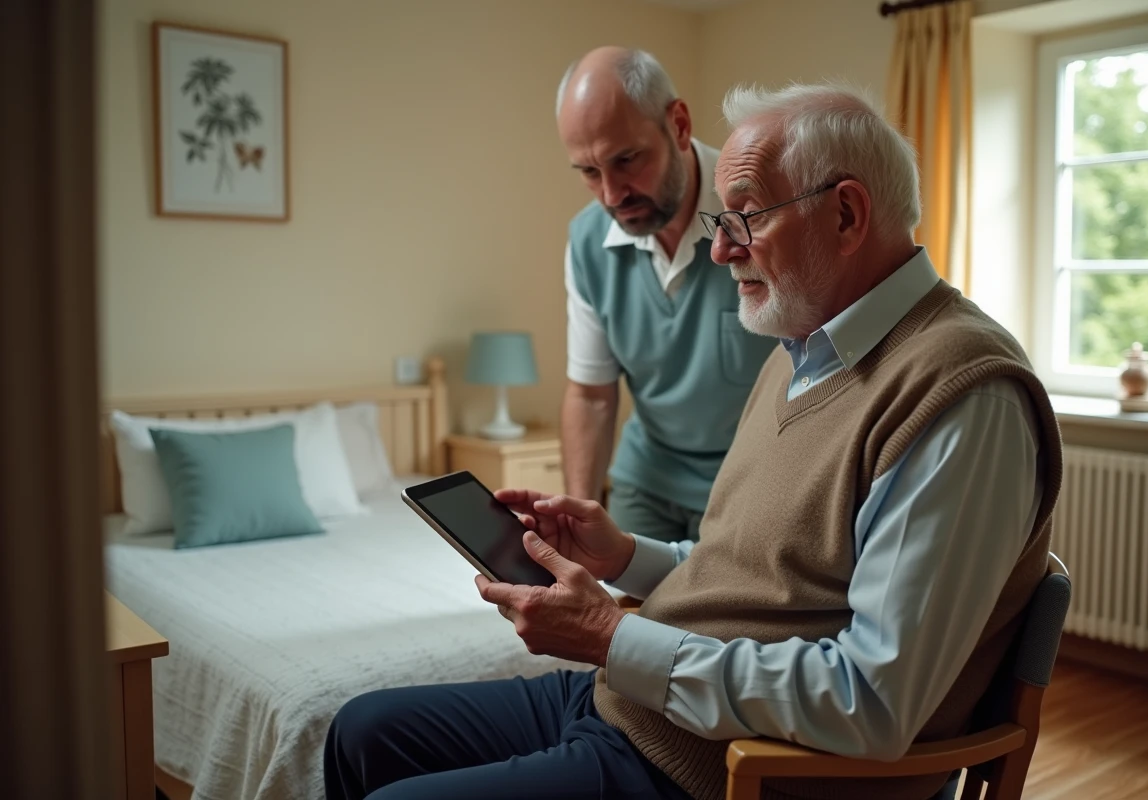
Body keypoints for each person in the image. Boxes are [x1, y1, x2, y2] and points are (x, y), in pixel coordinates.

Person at [324, 83, 1064, 800]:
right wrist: (623, 557)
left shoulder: (962, 398)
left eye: (745, 217)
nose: (721, 251)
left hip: (730, 769)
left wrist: (614, 639)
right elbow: (758, 572)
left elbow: (870, 702)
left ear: (845, 214)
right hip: (644, 709)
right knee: (358, 730)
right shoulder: (800, 351)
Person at [555, 46, 776, 544]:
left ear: (677, 124)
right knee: (614, 613)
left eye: (626, 160)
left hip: (752, 484)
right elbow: (591, 395)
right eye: (589, 172)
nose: (612, 195)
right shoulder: (588, 241)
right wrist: (578, 522)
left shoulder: (761, 212)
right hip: (647, 479)